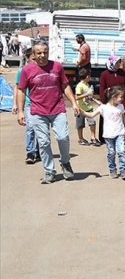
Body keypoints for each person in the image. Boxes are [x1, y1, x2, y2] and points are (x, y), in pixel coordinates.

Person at [15, 41, 81, 184]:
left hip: (57, 109)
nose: (42, 55)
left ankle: (65, 162)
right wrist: (20, 111)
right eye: (39, 53)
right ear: (34, 54)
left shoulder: (57, 66)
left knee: (63, 137)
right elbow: (21, 90)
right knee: (44, 143)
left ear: (48, 51)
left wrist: (74, 103)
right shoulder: (27, 70)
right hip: (37, 112)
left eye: (45, 52)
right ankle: (49, 171)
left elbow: (65, 86)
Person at [82, 85, 125, 180]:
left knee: (121, 151)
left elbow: (123, 118)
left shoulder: (120, 106)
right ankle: (112, 170)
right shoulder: (103, 108)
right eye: (121, 97)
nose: (122, 99)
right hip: (108, 135)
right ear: (113, 97)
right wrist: (81, 111)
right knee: (111, 153)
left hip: (120, 133)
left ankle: (123, 170)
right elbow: (91, 114)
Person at [99, 55, 125, 144]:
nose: (119, 64)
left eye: (119, 62)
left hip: (121, 99)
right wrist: (103, 100)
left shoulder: (122, 72)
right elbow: (102, 88)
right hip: (110, 100)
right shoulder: (104, 74)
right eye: (117, 63)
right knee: (108, 117)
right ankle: (105, 137)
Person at [13, 48, 40, 164]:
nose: (35, 61)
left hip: (40, 104)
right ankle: (30, 152)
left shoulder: (41, 70)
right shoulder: (22, 71)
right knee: (30, 127)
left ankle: (39, 151)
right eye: (33, 59)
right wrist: (16, 105)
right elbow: (18, 88)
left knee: (40, 128)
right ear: (28, 58)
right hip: (29, 104)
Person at [74, 68, 99, 146]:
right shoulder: (79, 86)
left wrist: (96, 101)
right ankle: (80, 138)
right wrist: (87, 94)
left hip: (89, 108)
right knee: (80, 125)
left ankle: (93, 137)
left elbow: (90, 96)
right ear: (87, 76)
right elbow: (77, 97)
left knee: (92, 123)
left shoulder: (87, 85)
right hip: (80, 109)